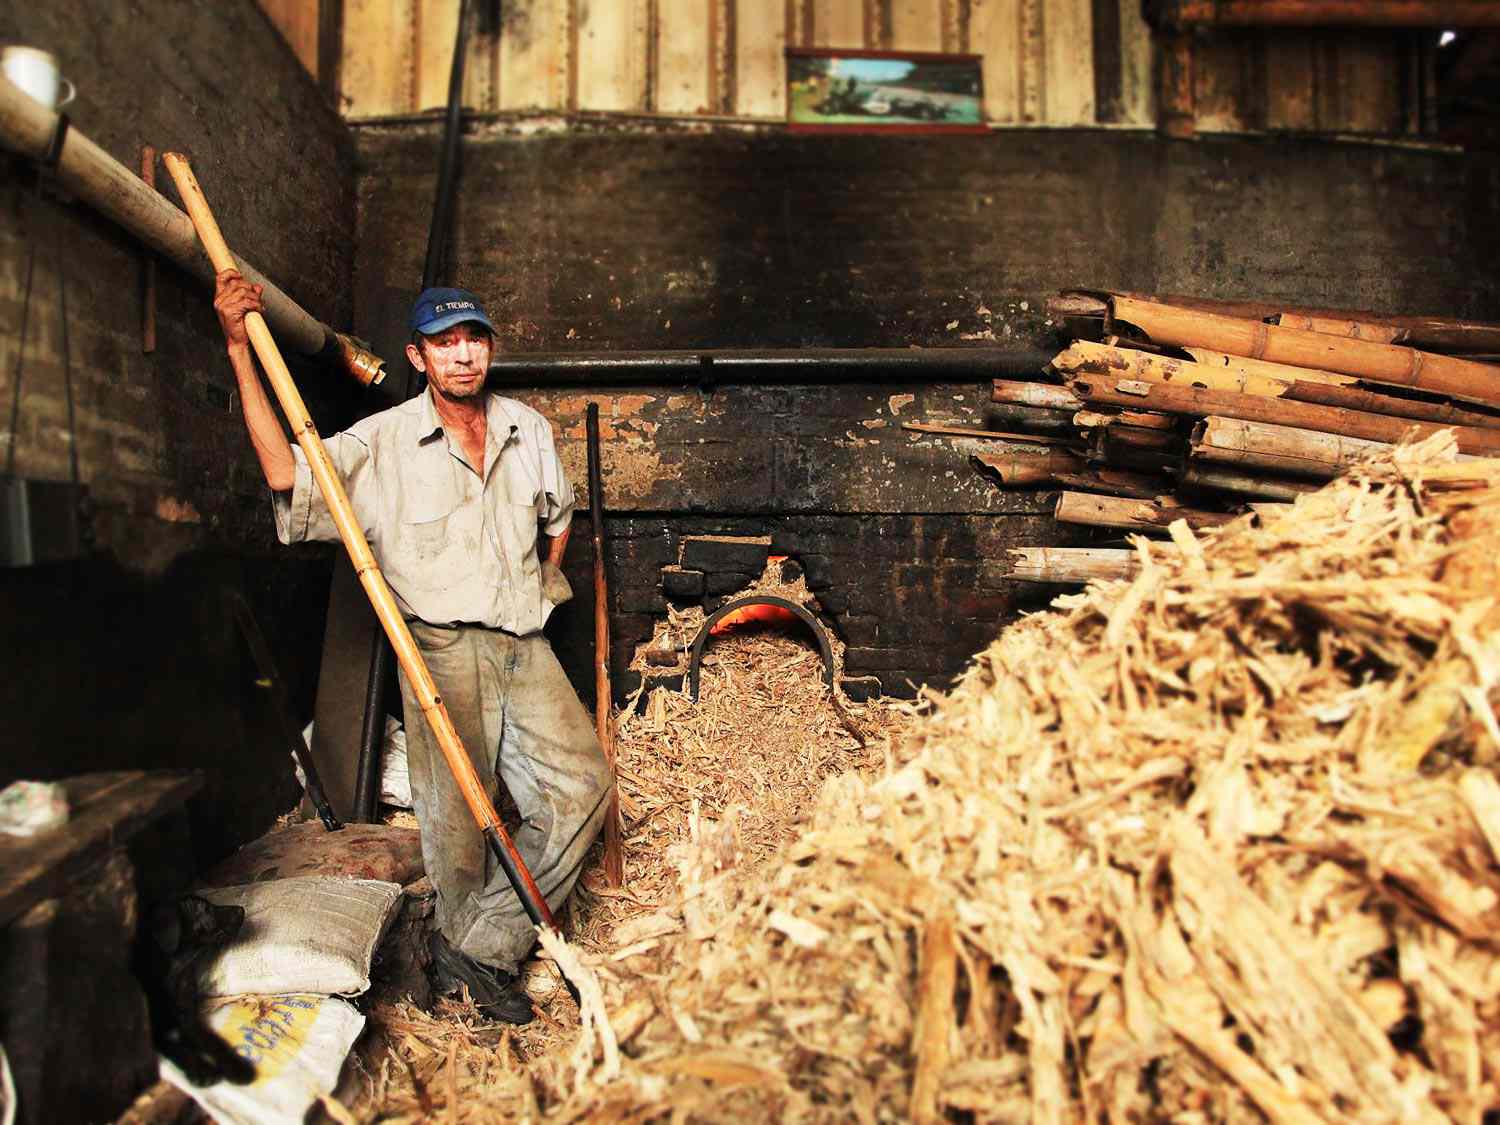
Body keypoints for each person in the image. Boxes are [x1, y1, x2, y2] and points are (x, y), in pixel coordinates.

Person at [214, 271, 613, 1025]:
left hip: (524, 639)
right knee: (458, 824)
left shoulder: (530, 429)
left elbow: (560, 513)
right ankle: (468, 975)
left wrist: (545, 580)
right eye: (444, 343)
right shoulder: (383, 441)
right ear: (418, 357)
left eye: (473, 340)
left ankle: (481, 946)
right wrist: (240, 349)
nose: (462, 356)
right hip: (438, 645)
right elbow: (285, 475)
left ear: (488, 349)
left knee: (582, 788)